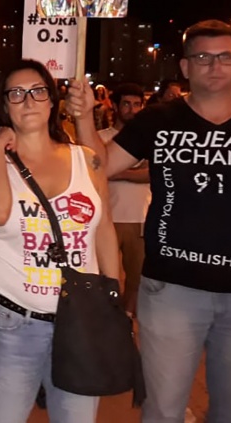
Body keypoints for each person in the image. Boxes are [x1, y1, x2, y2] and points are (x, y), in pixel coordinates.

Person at [66, 19, 231, 423]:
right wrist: (84, 117)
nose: (214, 66)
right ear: (186, 67)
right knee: (163, 410)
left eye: (224, 56)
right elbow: (96, 168)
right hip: (172, 292)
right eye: (203, 57)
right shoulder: (158, 119)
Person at [0, 59, 118, 423]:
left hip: (77, 320)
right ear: (4, 105)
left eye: (37, 91)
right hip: (11, 322)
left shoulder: (87, 161)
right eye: (16, 94)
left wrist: (111, 296)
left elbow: (103, 228)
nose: (28, 101)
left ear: (52, 100)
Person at [98, 83, 149, 316]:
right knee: (104, 278)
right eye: (126, 104)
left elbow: (153, 174)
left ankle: (127, 320)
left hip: (140, 218)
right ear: (115, 107)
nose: (132, 109)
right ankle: (106, 321)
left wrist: (115, 171)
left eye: (137, 104)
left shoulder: (150, 140)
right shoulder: (100, 139)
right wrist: (135, 172)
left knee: (137, 279)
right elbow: (93, 172)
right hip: (106, 218)